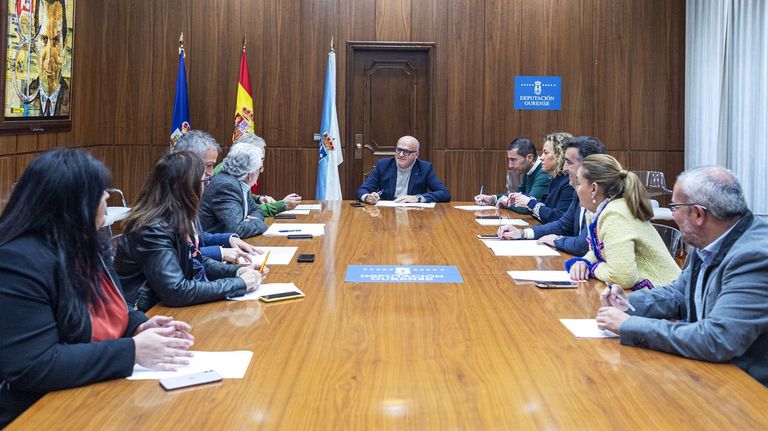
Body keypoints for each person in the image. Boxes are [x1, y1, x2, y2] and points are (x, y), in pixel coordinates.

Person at [0, 149, 194, 426]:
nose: (106, 197)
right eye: (99, 191)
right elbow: (34, 365)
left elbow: (107, 304)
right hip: (40, 412)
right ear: (72, 202)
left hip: (96, 390)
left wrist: (138, 326)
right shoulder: (17, 261)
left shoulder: (86, 242)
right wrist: (133, 350)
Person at [597, 166, 768, 386]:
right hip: (711, 372)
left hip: (749, 389)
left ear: (698, 214)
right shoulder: (710, 238)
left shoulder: (754, 256)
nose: (672, 214)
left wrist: (629, 325)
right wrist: (628, 304)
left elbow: (718, 339)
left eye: (675, 207)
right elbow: (679, 294)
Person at [115, 151, 263, 311]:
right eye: (204, 181)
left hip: (165, 308)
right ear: (187, 187)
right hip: (147, 314)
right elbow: (175, 291)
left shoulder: (175, 216)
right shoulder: (152, 228)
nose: (206, 186)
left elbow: (195, 261)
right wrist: (239, 284)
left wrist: (237, 271)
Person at [565, 154, 680, 289]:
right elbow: (599, 252)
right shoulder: (599, 212)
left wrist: (593, 268)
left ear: (594, 189)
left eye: (579, 183)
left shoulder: (615, 215)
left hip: (664, 297)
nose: (575, 188)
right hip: (647, 297)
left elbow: (622, 278)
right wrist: (584, 262)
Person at [497, 136, 606, 256]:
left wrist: (556, 240)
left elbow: (583, 245)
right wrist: (523, 233)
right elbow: (563, 225)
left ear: (589, 166)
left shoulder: (603, 197)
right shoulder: (577, 191)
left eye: (569, 162)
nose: (564, 168)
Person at [173, 131, 262, 263]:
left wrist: (229, 239)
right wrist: (220, 253)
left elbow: (197, 237)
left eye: (212, 166)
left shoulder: (187, 194)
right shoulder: (169, 201)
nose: (211, 173)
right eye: (208, 165)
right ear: (187, 162)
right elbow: (180, 255)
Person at [212, 133, 302, 216]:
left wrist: (258, 199)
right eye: (259, 158)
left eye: (262, 159)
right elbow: (245, 210)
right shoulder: (227, 175)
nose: (261, 165)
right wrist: (281, 206)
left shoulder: (235, 168)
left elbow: (244, 198)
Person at [199, 143, 269, 238]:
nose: (260, 172)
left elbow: (257, 209)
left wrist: (251, 221)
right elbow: (237, 229)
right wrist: (259, 224)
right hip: (215, 246)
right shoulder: (226, 186)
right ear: (250, 175)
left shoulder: (240, 183)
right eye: (259, 169)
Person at [356, 135, 450, 204]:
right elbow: (362, 190)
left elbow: (444, 194)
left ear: (416, 155)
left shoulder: (425, 168)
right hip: (386, 214)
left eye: (406, 152)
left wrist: (418, 198)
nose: (400, 155)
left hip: (414, 215)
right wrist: (367, 197)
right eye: (398, 150)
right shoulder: (383, 165)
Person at [505, 132, 574, 223]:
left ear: (560, 155)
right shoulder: (555, 179)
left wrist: (530, 203)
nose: (541, 157)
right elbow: (544, 209)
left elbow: (559, 219)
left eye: (546, 153)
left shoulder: (568, 182)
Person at [474, 137, 550, 213]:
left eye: (513, 160)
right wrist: (493, 199)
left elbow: (529, 207)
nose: (510, 165)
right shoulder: (528, 169)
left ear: (529, 158)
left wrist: (507, 202)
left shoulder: (544, 172)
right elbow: (516, 195)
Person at [30, 0, 71, 117]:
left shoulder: (73, 99)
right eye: (44, 39)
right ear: (35, 42)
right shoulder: (26, 95)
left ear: (65, 45)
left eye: (56, 41)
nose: (49, 58)